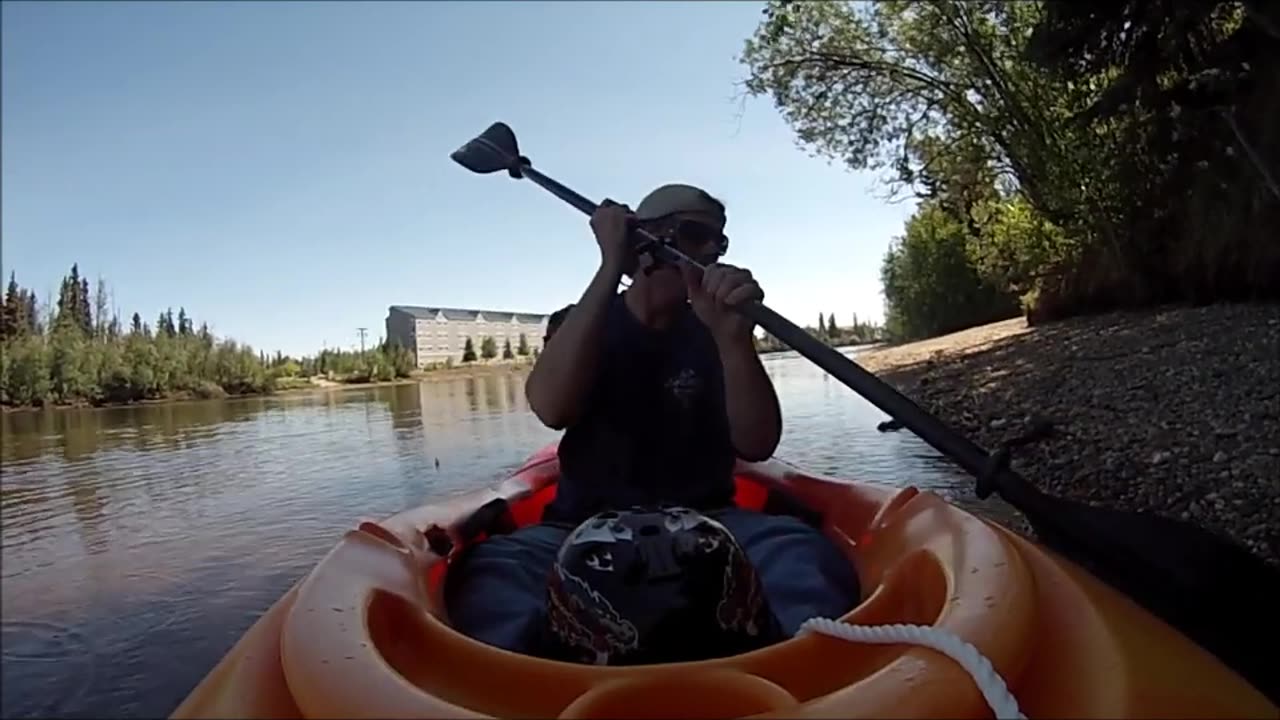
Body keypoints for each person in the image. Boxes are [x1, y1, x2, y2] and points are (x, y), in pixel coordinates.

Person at [445, 183, 859, 657]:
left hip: (713, 520)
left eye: (719, 242)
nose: (711, 252)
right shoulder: (584, 323)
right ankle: (540, 682)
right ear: (646, 242)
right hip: (579, 525)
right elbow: (551, 408)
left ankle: (790, 666)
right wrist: (609, 266)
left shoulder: (716, 330)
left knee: (799, 553)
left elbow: (757, 444)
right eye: (694, 235)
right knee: (493, 571)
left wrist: (732, 340)